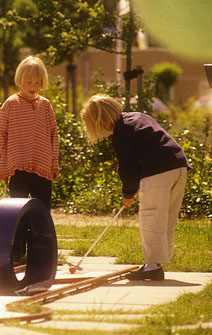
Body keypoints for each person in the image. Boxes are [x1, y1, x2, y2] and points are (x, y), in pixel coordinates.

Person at [80, 94, 191, 281]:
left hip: (158, 169)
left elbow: (127, 168)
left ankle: (153, 266)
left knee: (151, 216)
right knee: (166, 217)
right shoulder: (138, 116)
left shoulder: (121, 132)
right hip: (178, 165)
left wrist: (128, 193)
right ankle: (158, 262)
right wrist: (142, 179)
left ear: (99, 121)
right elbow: (149, 145)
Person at [0, 55, 60, 263]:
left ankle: (42, 253)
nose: (33, 86)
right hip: (18, 169)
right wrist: (3, 165)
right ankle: (17, 252)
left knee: (41, 213)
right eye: (29, 81)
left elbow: (54, 135)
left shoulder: (45, 105)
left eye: (37, 82)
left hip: (42, 168)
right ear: (20, 80)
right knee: (18, 213)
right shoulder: (11, 104)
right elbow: (0, 135)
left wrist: (54, 163)